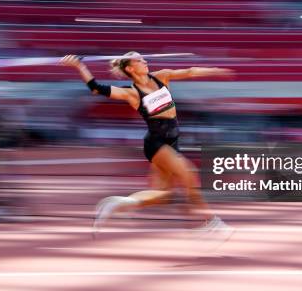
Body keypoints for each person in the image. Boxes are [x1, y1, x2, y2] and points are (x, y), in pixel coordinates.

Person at [60, 52, 233, 237]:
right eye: (139, 60)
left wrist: (213, 70)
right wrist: (80, 67)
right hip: (157, 142)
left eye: (144, 59)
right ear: (130, 68)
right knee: (189, 175)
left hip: (172, 141)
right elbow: (96, 88)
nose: (145, 61)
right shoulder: (132, 92)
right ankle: (211, 222)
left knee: (163, 194)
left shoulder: (161, 77)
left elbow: (190, 71)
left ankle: (120, 203)